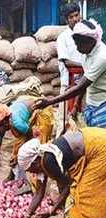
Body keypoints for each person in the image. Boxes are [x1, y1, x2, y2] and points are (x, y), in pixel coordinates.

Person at [14, 127, 106, 218]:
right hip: (95, 140)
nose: (32, 173)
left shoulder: (48, 161)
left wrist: (54, 209)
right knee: (73, 201)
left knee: (81, 202)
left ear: (35, 161)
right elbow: (39, 192)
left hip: (100, 150)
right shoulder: (44, 156)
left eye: (30, 169)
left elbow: (67, 186)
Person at [35, 19, 106, 128]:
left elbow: (81, 86)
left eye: (78, 45)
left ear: (89, 41)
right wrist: (76, 105)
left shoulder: (102, 56)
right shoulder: (86, 53)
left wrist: (50, 101)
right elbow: (83, 79)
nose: (77, 48)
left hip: (103, 105)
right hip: (92, 104)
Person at [0, 100, 54, 193]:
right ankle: (13, 176)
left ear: (5, 123)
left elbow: (32, 139)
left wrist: (21, 153)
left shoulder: (17, 123)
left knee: (39, 149)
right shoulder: (5, 121)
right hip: (27, 118)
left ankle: (36, 185)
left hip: (42, 111)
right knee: (16, 149)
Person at [56, 3, 83, 136]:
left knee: (81, 116)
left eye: (77, 15)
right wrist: (84, 66)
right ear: (67, 20)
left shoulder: (86, 34)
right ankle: (59, 143)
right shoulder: (63, 38)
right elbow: (65, 61)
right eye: (71, 17)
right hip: (69, 82)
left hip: (84, 81)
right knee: (64, 118)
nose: (75, 19)